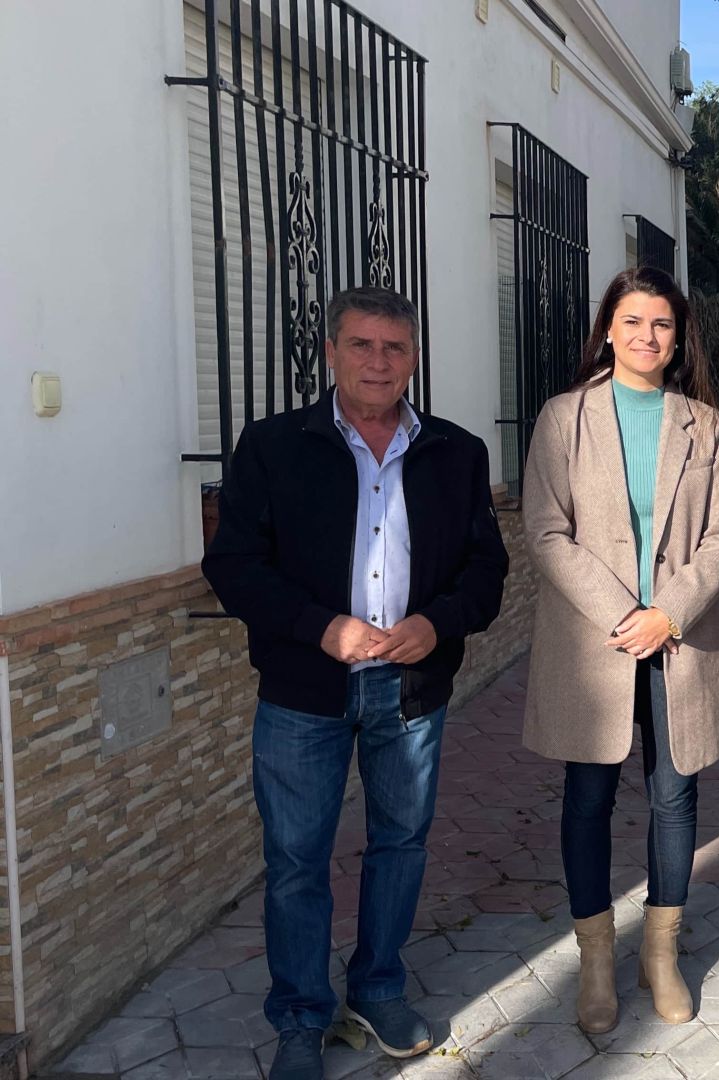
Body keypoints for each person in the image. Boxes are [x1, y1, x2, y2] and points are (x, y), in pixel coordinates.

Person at [203, 285, 508, 1080]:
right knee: (296, 858)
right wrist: (321, 627)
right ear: (331, 352)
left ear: (414, 358)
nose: (379, 361)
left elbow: (487, 570)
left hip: (409, 692)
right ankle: (302, 1017)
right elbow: (233, 566)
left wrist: (437, 623)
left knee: (400, 844)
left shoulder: (457, 452)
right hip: (304, 691)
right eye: (362, 345)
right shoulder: (273, 447)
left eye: (394, 347)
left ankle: (376, 988)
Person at [519, 266, 719, 1031]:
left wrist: (668, 613)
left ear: (677, 339)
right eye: (634, 321)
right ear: (608, 330)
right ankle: (594, 962)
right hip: (596, 642)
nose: (648, 336)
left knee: (674, 797)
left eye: (662, 324)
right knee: (589, 797)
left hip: (681, 641)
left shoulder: (703, 425)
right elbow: (546, 530)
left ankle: (660, 953)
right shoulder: (564, 418)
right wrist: (626, 614)